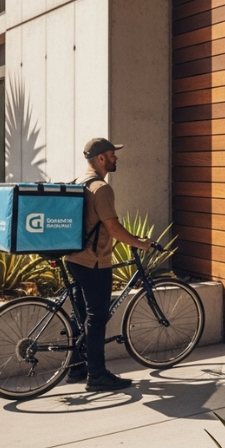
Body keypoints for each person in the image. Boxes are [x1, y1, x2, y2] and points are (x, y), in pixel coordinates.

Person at [64, 138, 152, 391]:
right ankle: (98, 375)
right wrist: (139, 242)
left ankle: (76, 367)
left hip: (73, 258)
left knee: (80, 314)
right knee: (96, 317)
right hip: (94, 263)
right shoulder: (101, 188)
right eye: (112, 154)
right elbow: (113, 228)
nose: (116, 158)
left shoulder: (78, 183)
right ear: (101, 158)